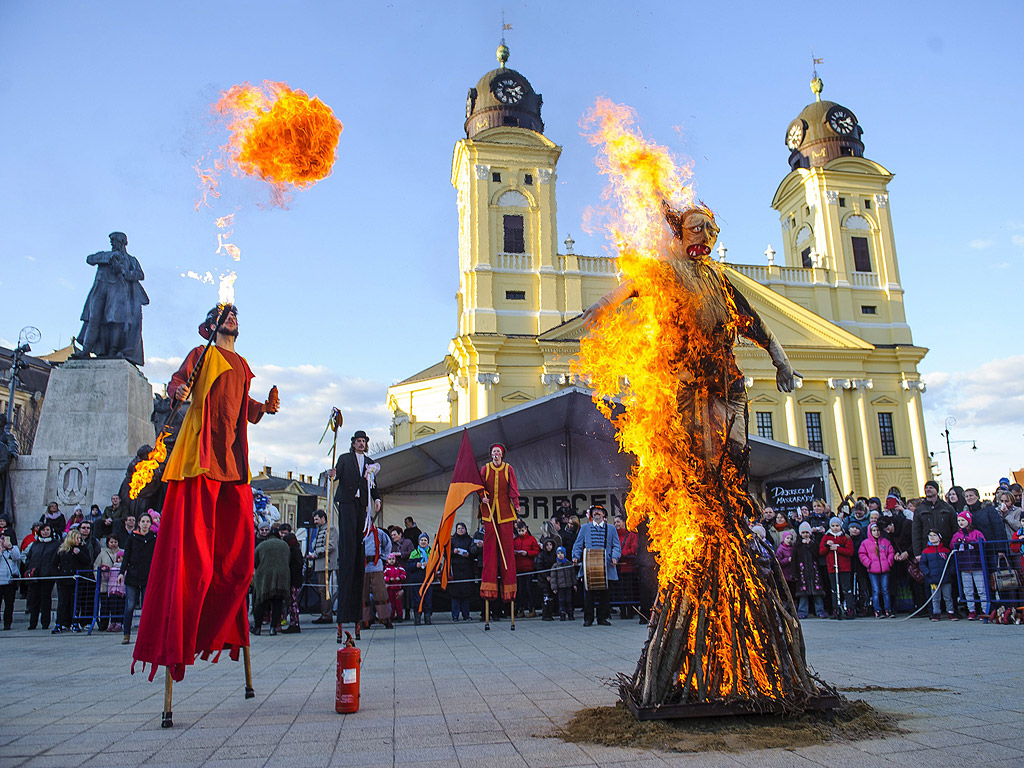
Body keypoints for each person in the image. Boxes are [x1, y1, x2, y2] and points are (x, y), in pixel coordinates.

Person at [132, 305, 278, 681]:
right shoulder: (201, 354)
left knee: (238, 562)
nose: (232, 319)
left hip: (233, 467)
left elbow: (244, 408)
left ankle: (221, 629)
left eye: (234, 316)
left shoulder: (242, 364)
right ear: (211, 326)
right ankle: (178, 638)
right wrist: (178, 388)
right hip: (200, 461)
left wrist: (266, 407)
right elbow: (178, 382)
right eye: (224, 316)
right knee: (193, 560)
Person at [326, 429, 381, 640]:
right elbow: (337, 473)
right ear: (353, 443)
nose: (361, 444)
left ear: (366, 444)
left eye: (363, 441)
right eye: (358, 441)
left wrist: (376, 498)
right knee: (347, 535)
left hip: (361, 503)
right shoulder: (345, 458)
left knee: (359, 535)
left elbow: (373, 484)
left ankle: (356, 551)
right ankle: (348, 552)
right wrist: (333, 474)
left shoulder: (369, 462)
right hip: (348, 501)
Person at [74, 231, 148, 365]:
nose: (113, 244)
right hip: (100, 290)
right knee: (93, 319)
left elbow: (140, 274)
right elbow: (90, 259)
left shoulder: (131, 260)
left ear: (122, 243)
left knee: (116, 322)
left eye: (115, 242)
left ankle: (113, 351)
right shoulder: (105, 255)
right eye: (112, 242)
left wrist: (124, 271)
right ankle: (86, 350)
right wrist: (109, 258)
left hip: (118, 292)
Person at [478, 443, 519, 606]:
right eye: (493, 452)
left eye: (498, 452)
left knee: (507, 550)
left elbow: (513, 488)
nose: (495, 454)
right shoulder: (485, 469)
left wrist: (516, 503)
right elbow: (480, 486)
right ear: (491, 454)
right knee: (489, 550)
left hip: (504, 512)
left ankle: (509, 590)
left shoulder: (509, 469)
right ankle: (489, 587)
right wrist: (482, 496)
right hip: (489, 511)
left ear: (502, 454)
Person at [572, 505, 621, 627]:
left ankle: (602, 617)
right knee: (589, 594)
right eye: (594, 511)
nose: (597, 513)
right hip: (589, 566)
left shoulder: (611, 529)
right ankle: (588, 618)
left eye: (599, 511)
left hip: (606, 566)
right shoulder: (584, 528)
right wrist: (575, 556)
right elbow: (578, 544)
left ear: (604, 514)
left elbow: (616, 545)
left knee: (605, 593)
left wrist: (615, 557)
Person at [120, 513, 156, 644]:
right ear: (139, 523)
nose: (145, 524)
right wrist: (121, 572)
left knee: (147, 606)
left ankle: (146, 634)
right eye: (143, 521)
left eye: (147, 521)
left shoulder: (154, 538)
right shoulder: (132, 537)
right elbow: (126, 555)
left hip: (148, 576)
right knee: (130, 606)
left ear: (150, 524)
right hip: (133, 576)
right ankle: (126, 634)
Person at [950, 511, 989, 621]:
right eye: (959, 521)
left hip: (977, 564)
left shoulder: (977, 533)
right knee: (968, 590)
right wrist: (956, 542)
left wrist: (970, 541)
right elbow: (951, 545)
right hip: (964, 566)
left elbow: (983, 543)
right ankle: (971, 610)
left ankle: (984, 609)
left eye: (963, 520)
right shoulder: (957, 534)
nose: (960, 522)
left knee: (981, 589)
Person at [251, 529, 290, 636]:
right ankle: (273, 628)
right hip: (281, 578)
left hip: (265, 578)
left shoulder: (262, 545)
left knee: (261, 603)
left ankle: (257, 628)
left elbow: (255, 561)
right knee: (277, 604)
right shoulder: (285, 546)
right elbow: (288, 560)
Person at [53, 529, 92, 633]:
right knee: (62, 603)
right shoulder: (62, 549)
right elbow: (54, 563)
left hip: (77, 580)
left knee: (75, 602)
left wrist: (79, 553)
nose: (79, 540)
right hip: (63, 580)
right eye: (77, 538)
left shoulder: (82, 548)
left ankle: (75, 622)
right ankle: (59, 623)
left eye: (79, 538)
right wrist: (58, 575)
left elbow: (87, 561)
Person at [25, 523, 60, 630]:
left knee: (45, 600)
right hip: (34, 576)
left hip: (47, 576)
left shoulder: (55, 544)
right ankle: (33, 623)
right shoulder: (35, 544)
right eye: (43, 530)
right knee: (34, 600)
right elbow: (29, 557)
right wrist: (29, 567)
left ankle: (45, 623)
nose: (45, 532)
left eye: (47, 530)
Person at [859, 521, 895, 618]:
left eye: (878, 530)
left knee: (885, 590)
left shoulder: (885, 542)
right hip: (873, 570)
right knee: (875, 591)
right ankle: (877, 610)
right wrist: (868, 564)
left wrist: (889, 562)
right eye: (874, 530)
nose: (876, 532)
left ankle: (888, 609)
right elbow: (862, 554)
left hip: (885, 569)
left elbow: (891, 552)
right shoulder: (865, 543)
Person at [820, 517, 854, 619]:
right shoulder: (826, 537)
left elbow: (850, 552)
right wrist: (827, 546)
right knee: (834, 589)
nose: (835, 528)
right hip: (832, 567)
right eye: (833, 526)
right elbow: (821, 552)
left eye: (837, 526)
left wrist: (838, 548)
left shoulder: (846, 537)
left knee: (846, 589)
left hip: (844, 567)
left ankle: (849, 608)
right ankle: (835, 608)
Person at [307, 510, 337, 625]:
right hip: (320, 563)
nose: (315, 522)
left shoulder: (331, 529)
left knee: (324, 590)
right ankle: (325, 613)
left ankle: (326, 615)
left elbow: (331, 546)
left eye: (316, 519)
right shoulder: (320, 530)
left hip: (326, 563)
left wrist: (316, 553)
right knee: (322, 590)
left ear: (323, 518)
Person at [912, 480, 956, 558]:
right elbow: (916, 532)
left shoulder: (947, 507)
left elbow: (955, 528)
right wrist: (917, 553)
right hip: (927, 550)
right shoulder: (919, 509)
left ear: (936, 490)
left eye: (931, 487)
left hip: (946, 548)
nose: (928, 489)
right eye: (926, 488)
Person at [361, 524, 393, 629]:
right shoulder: (358, 532)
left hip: (376, 565)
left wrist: (383, 558)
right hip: (363, 566)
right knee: (363, 594)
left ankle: (385, 618)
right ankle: (365, 620)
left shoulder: (378, 532)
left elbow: (387, 545)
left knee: (381, 593)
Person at [792, 523, 826, 618]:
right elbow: (794, 559)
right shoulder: (797, 545)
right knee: (803, 594)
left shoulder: (814, 543)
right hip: (802, 572)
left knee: (817, 593)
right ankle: (802, 611)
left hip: (814, 572)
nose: (805, 534)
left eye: (807, 532)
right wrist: (794, 573)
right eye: (803, 532)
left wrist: (811, 544)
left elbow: (818, 554)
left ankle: (820, 610)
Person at [920, 530, 955, 620]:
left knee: (948, 596)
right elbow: (922, 564)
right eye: (930, 535)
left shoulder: (946, 551)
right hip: (933, 578)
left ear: (939, 537)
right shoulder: (925, 552)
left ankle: (950, 611)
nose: (932, 537)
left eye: (934, 535)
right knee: (935, 597)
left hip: (945, 577)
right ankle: (936, 613)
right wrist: (928, 573)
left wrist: (950, 572)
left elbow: (951, 563)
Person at [94, 534, 123, 632]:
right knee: (105, 605)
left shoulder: (122, 552)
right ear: (107, 543)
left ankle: (117, 622)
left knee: (117, 605)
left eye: (115, 542)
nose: (113, 544)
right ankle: (104, 624)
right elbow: (96, 565)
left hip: (118, 585)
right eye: (111, 542)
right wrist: (98, 578)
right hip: (105, 583)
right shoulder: (102, 553)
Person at [447, 522, 476, 621]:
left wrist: (469, 555)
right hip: (455, 570)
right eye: (459, 528)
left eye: (462, 528)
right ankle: (455, 615)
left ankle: (466, 615)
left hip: (467, 570)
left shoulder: (469, 540)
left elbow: (474, 553)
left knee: (466, 595)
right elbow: (445, 554)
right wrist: (453, 552)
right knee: (455, 595)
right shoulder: (452, 540)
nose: (461, 530)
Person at [613, 515, 639, 619]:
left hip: (628, 567)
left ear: (624, 523)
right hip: (617, 567)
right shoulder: (613, 535)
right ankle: (623, 610)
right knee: (620, 590)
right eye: (615, 522)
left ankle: (630, 610)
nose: (616, 524)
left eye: (618, 522)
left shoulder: (632, 535)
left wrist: (619, 554)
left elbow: (633, 549)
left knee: (629, 590)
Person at [512, 520, 540, 617]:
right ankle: (521, 609)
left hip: (528, 568)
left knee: (529, 589)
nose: (521, 533)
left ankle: (532, 608)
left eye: (523, 530)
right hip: (518, 568)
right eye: (519, 531)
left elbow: (536, 551)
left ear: (526, 529)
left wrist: (527, 553)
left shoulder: (532, 539)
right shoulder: (515, 541)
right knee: (520, 590)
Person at [280, 532, 304, 634]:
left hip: (293, 580)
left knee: (293, 602)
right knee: (292, 602)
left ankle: (295, 623)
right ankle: (294, 623)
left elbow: (296, 567)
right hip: (296, 580)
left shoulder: (293, 552)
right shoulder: (296, 550)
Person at [407, 532, 432, 625]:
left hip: (428, 580)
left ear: (428, 542)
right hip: (416, 580)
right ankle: (417, 617)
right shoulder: (414, 553)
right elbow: (408, 566)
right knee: (417, 599)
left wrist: (429, 564)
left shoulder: (432, 552)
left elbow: (437, 566)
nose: (423, 542)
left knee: (428, 599)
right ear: (418, 542)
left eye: (425, 540)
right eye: (421, 540)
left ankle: (427, 617)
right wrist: (415, 565)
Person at [1, 532, 23, 630]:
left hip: (10, 581)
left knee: (9, 603)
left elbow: (17, 557)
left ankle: (7, 623)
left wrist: (9, 547)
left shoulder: (13, 548)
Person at [535, 538, 558, 620]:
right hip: (543, 579)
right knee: (546, 597)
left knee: (551, 597)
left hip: (553, 578)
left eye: (550, 545)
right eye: (547, 545)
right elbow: (539, 567)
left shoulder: (554, 554)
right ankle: (546, 614)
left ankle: (551, 613)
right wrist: (546, 576)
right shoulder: (541, 555)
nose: (549, 547)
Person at [549, 547, 575, 620]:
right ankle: (562, 613)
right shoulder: (555, 566)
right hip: (560, 587)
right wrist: (554, 587)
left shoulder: (569, 564)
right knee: (561, 601)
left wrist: (574, 584)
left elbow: (572, 575)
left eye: (562, 553)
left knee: (569, 600)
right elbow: (553, 578)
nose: (560, 555)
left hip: (568, 585)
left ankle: (570, 613)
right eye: (558, 553)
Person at [383, 554, 406, 623]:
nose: (392, 561)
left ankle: (399, 616)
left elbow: (404, 575)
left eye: (393, 559)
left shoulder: (399, 567)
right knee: (391, 603)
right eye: (390, 559)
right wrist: (389, 579)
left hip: (398, 588)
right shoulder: (386, 568)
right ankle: (391, 616)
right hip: (390, 589)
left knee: (398, 604)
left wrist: (400, 578)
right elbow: (383, 577)